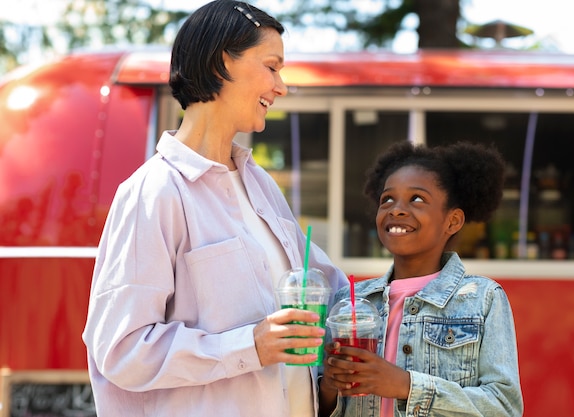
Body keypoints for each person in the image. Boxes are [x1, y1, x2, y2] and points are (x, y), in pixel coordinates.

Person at [82, 1, 347, 416]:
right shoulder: (154, 192)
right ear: (224, 61)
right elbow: (122, 350)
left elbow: (330, 288)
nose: (281, 86)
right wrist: (250, 345)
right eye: (272, 67)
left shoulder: (260, 186)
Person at [319, 141, 523, 417]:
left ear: (452, 221)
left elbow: (504, 407)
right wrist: (329, 388)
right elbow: (320, 406)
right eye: (387, 199)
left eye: (416, 199)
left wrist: (406, 385)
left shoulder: (483, 299)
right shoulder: (351, 301)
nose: (396, 209)